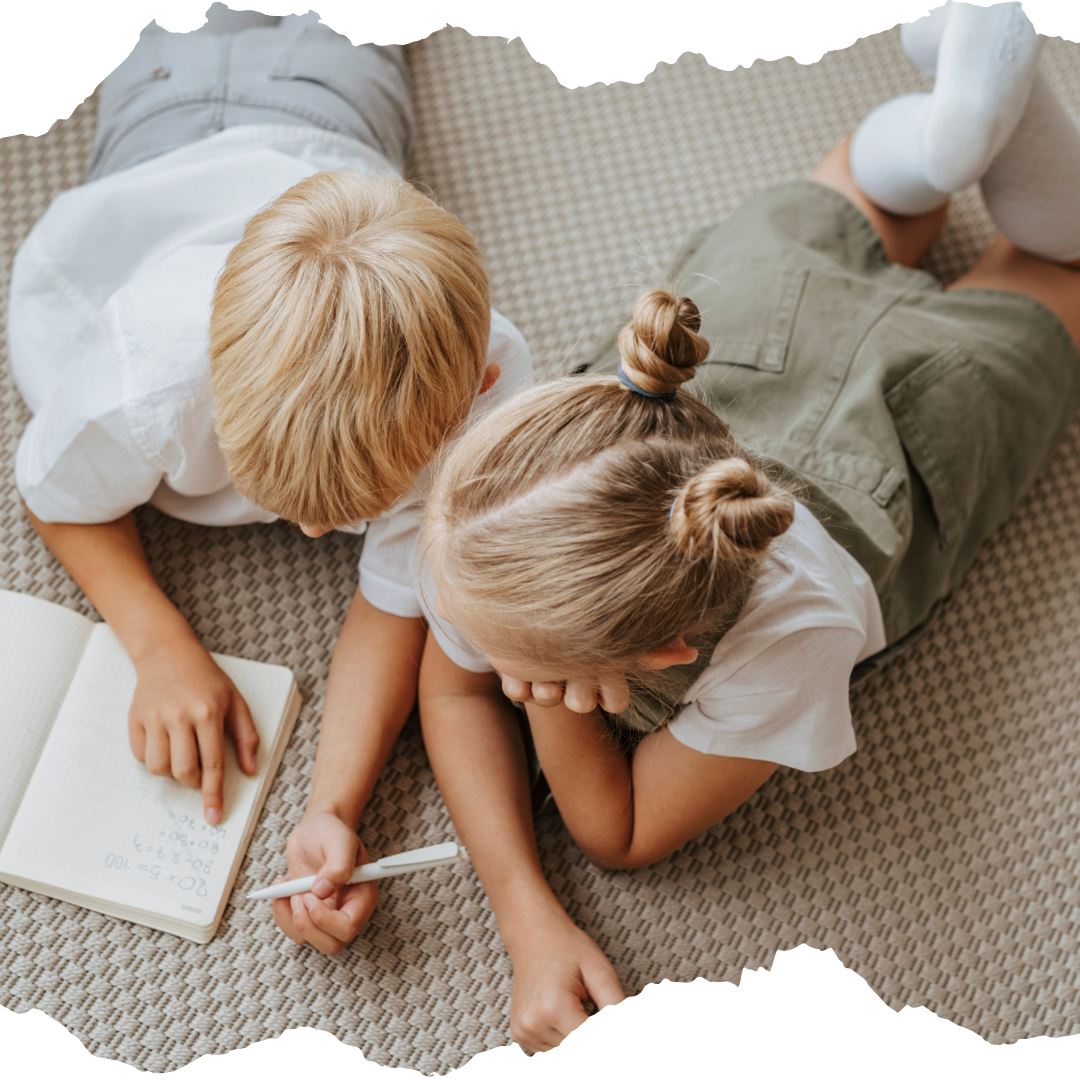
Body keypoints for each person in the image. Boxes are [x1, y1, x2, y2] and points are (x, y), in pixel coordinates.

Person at [404, 2, 1080, 1053]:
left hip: (912, 421)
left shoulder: (791, 639)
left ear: (665, 654)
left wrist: (548, 707)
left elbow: (618, 833)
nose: (453, 636)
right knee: (854, 193)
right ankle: (945, 137)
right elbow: (447, 684)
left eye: (516, 660)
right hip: (756, 329)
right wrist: (523, 912)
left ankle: (994, 120)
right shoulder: (536, 488)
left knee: (1056, 265)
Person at [6, 5, 533, 949]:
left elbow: (395, 599)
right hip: (165, 105)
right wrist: (159, 642)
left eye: (349, 514)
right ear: (208, 387)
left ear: (478, 389)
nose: (319, 540)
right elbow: (53, 494)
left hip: (333, 92)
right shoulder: (150, 371)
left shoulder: (484, 383)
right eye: (291, 506)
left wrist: (333, 806)